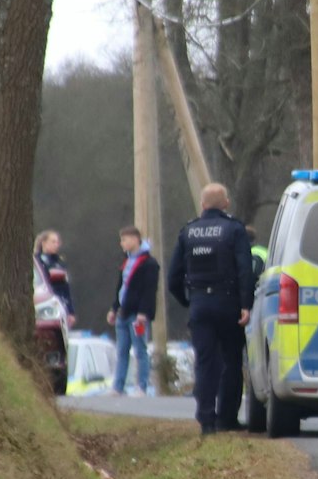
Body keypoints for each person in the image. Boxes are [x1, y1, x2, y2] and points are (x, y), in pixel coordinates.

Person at [166, 183, 255, 435]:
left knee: (205, 362)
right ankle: (226, 419)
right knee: (231, 361)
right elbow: (244, 270)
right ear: (226, 203)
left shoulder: (188, 232)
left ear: (203, 204)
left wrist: (189, 301)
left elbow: (173, 278)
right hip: (228, 305)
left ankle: (206, 419)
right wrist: (246, 304)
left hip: (199, 305)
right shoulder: (234, 229)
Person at [106, 226, 159, 396]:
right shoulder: (126, 261)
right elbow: (120, 287)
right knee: (122, 351)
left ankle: (141, 386)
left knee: (140, 350)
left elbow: (149, 291)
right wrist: (114, 308)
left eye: (124, 240)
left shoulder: (149, 264)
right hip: (123, 312)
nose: (122, 243)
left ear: (135, 239)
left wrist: (144, 312)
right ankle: (118, 386)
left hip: (137, 315)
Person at [34, 230, 75, 327]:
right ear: (44, 243)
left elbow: (65, 289)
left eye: (57, 242)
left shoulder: (58, 263)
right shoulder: (36, 261)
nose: (56, 245)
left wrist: (70, 311)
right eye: (53, 242)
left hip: (58, 305)